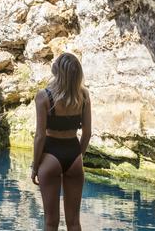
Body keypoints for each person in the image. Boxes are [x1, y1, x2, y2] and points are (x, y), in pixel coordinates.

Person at [30, 52, 92, 231]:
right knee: (74, 222)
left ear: (59, 70)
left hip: (50, 156)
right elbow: (87, 134)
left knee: (51, 222)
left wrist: (35, 167)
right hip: (74, 155)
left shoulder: (43, 96)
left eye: (56, 61)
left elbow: (40, 136)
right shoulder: (84, 96)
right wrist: (78, 156)